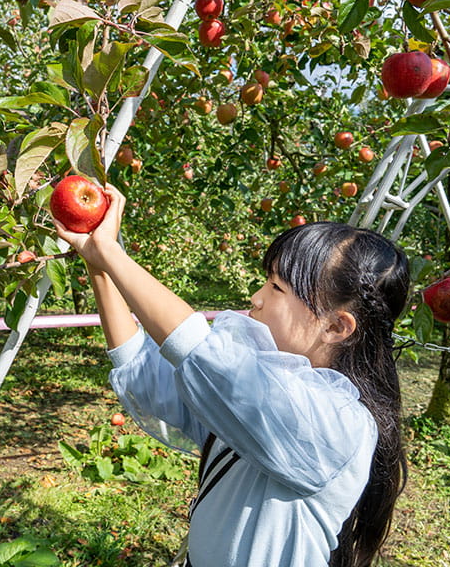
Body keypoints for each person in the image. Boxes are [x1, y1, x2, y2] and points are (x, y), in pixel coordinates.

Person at [53, 184, 410, 567]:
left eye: (276, 287)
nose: (256, 297)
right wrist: (99, 268)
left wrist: (113, 256)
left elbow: (207, 359)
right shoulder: (266, 392)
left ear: (337, 327)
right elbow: (149, 376)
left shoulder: (336, 425)